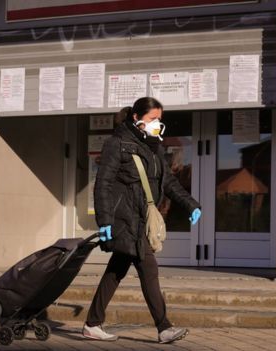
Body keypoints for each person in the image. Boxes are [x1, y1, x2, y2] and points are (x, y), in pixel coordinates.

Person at [83, 97, 202, 344]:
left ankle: (93, 323)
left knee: (116, 270)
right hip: (124, 219)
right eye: (152, 119)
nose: (157, 124)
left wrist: (190, 204)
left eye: (159, 119)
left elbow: (167, 182)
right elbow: (102, 183)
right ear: (137, 119)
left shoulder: (153, 147)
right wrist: (104, 220)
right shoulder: (116, 144)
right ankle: (164, 327)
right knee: (149, 269)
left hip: (140, 220)